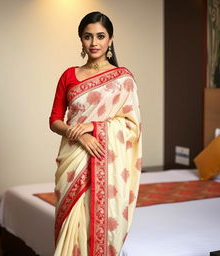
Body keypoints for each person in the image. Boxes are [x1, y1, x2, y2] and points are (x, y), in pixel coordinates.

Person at [49, 11, 142, 256]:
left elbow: (132, 126)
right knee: (70, 223)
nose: (94, 43)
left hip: (105, 158)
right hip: (73, 160)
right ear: (81, 39)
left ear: (110, 40)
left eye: (100, 36)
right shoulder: (69, 75)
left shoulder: (123, 79)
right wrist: (79, 134)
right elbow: (54, 120)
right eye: (88, 36)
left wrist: (95, 127)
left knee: (99, 226)